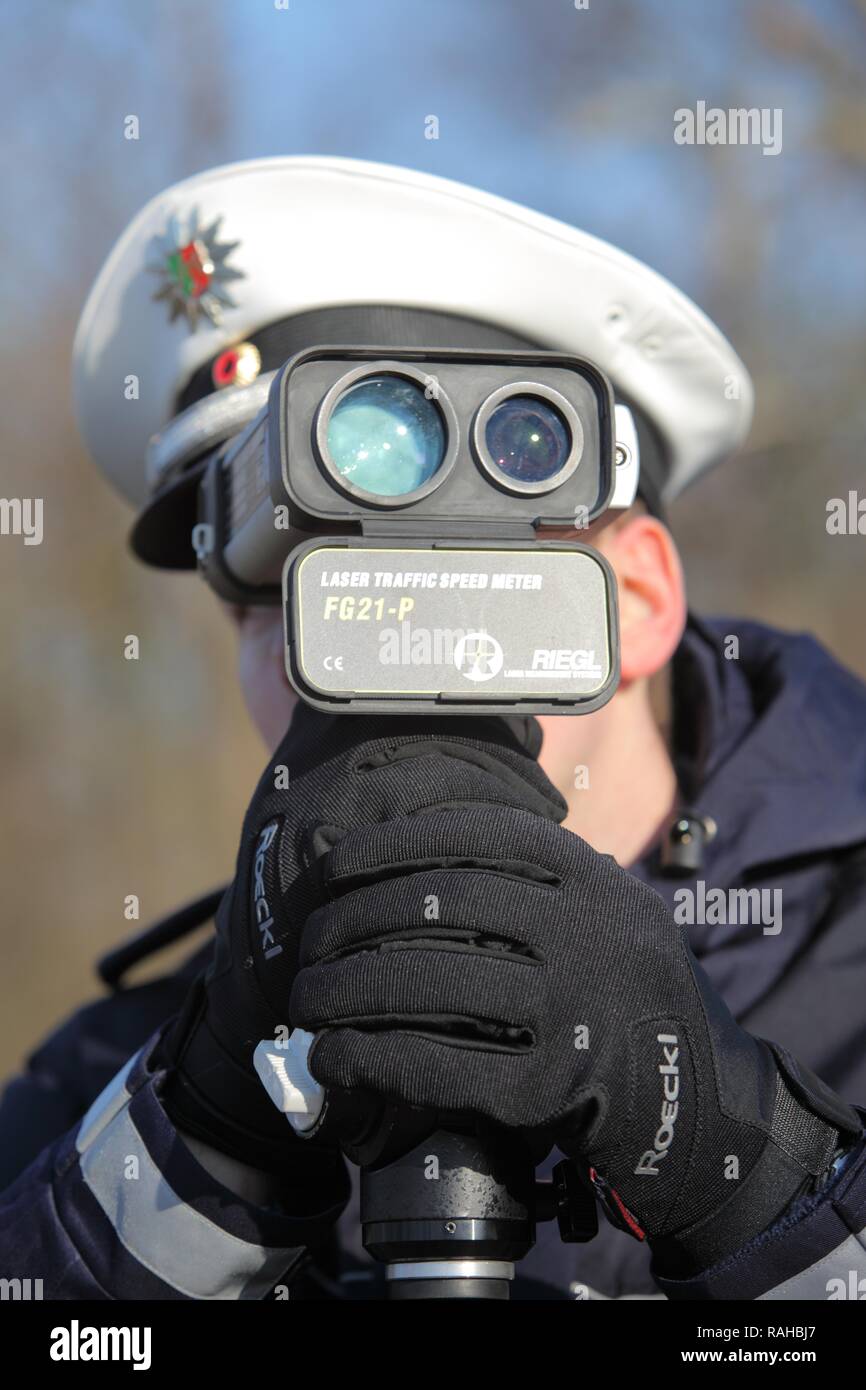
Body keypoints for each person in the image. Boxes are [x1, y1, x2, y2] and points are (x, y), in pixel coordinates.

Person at [1, 157, 864, 1302]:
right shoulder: (116, 1075)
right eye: (277, 594)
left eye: (449, 550)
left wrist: (748, 1167)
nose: (364, 629)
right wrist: (202, 1146)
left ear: (638, 601)